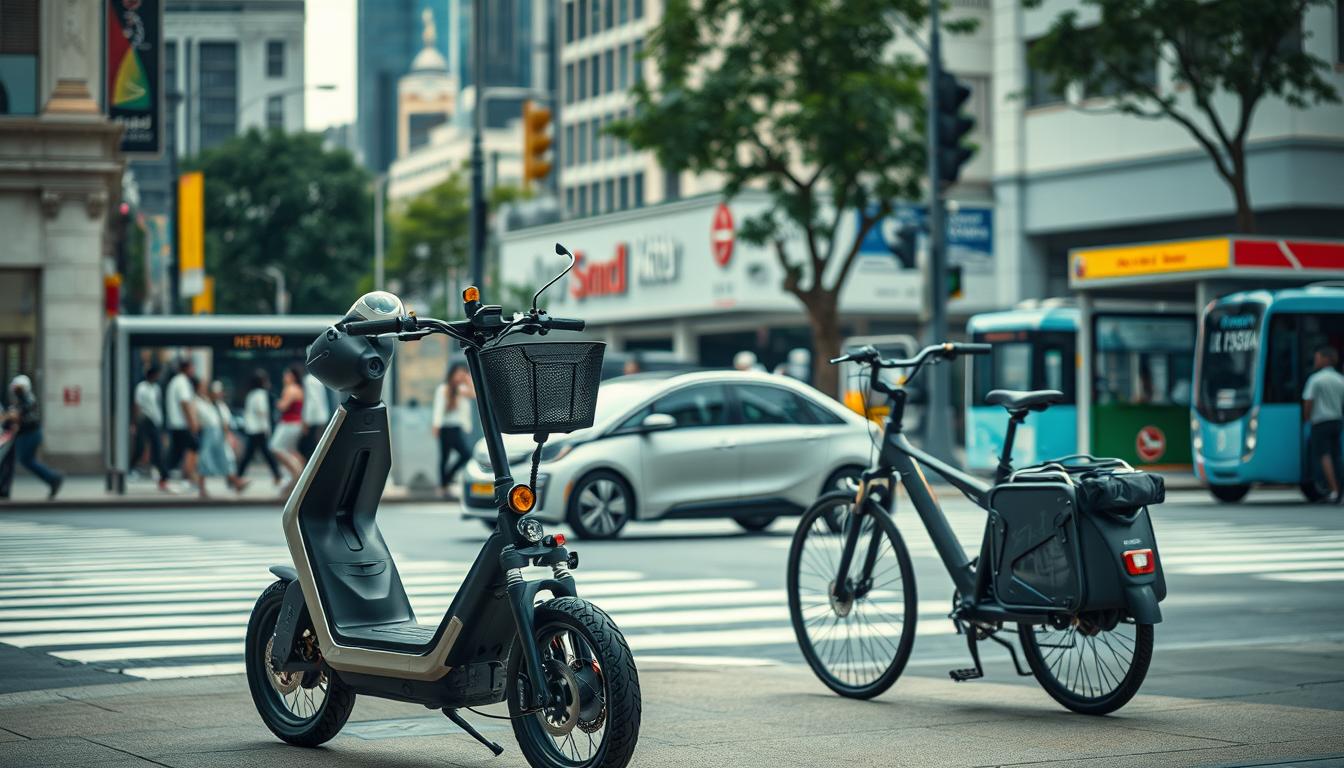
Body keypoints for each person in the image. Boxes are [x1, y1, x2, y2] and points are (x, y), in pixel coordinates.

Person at [1, 375, 63, 499]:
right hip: (26, 434)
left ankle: (53, 478)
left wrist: (7, 417)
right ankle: (52, 478)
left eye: (18, 388)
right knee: (20, 460)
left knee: (26, 460)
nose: (15, 391)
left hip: (29, 434)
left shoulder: (27, 399)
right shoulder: (23, 400)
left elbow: (17, 414)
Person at [1303, 344, 1344, 503]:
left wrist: (1307, 419)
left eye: (1318, 358)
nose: (1315, 361)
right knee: (1337, 455)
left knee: (1324, 455)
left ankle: (1333, 490)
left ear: (1326, 359)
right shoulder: (1340, 379)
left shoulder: (1315, 379)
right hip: (1337, 421)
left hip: (1320, 422)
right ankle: (1339, 490)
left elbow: (1308, 402)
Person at [194, 379, 247, 497]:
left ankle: (236, 482)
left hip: (220, 435)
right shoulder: (202, 403)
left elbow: (226, 422)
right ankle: (202, 488)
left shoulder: (221, 406)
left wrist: (229, 436)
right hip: (208, 434)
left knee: (226, 459)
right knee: (205, 460)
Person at [432, 363, 476, 499]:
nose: (460, 375)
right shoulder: (444, 388)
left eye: (463, 372)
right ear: (452, 374)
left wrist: (468, 379)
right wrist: (436, 425)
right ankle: (443, 486)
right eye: (458, 372)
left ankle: (446, 480)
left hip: (456, 428)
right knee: (444, 457)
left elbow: (474, 395)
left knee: (466, 455)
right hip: (445, 427)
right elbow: (438, 407)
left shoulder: (462, 389)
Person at [237, 369, 282, 484]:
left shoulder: (251, 394)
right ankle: (277, 475)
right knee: (262, 453)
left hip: (252, 428)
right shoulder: (261, 394)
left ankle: (238, 476)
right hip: (259, 429)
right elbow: (262, 411)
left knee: (252, 453)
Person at [161, 359, 200, 491]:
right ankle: (187, 478)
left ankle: (165, 478)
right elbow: (185, 403)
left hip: (176, 423)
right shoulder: (182, 382)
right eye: (192, 367)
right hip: (181, 424)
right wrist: (192, 422)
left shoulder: (176, 381)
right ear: (187, 368)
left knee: (177, 452)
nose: (194, 370)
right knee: (192, 447)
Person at [270, 363, 306, 497]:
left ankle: (297, 473)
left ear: (292, 376)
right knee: (291, 451)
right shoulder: (299, 389)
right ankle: (298, 475)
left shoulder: (290, 389)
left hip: (289, 423)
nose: (284, 377)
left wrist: (277, 402)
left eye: (286, 374)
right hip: (296, 423)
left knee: (276, 447)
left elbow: (283, 406)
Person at [131, 366, 165, 478]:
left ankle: (157, 468)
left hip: (155, 420)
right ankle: (132, 467)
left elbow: (157, 405)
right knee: (140, 445)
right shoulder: (141, 387)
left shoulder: (156, 388)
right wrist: (134, 423)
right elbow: (137, 405)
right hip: (144, 419)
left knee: (156, 445)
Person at [299, 371, 331, 459]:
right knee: (320, 443)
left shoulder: (308, 380)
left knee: (313, 446)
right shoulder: (318, 379)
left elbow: (311, 401)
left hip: (313, 418)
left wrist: (306, 420)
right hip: (322, 415)